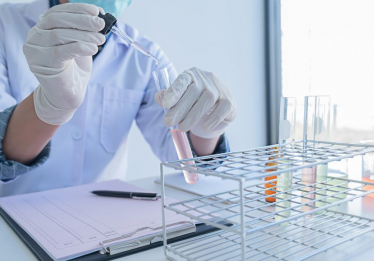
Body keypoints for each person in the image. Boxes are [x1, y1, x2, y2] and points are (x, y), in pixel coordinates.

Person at [0, 0, 236, 197]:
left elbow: (181, 157)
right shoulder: (5, 23)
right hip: (14, 219)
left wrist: (204, 129)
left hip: (105, 219)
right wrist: (50, 106)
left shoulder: (144, 56)